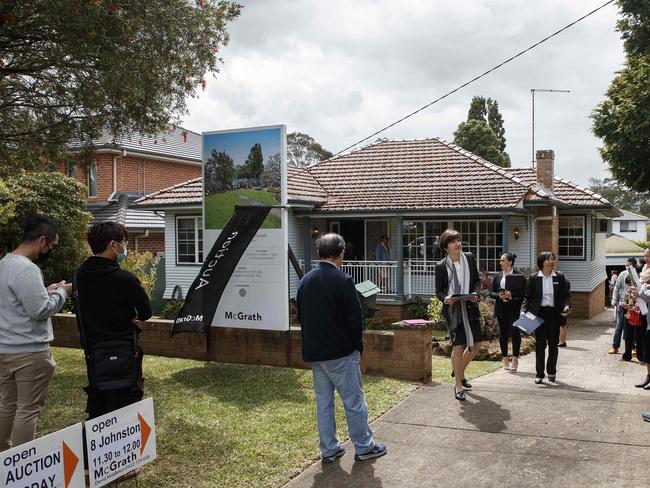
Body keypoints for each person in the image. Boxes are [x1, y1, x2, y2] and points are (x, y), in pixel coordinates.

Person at [296, 233, 387, 463]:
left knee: (324, 403)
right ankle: (364, 447)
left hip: (315, 354)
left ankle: (329, 449)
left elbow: (300, 317)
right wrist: (357, 347)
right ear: (341, 252)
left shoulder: (305, 280)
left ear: (319, 253)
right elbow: (355, 320)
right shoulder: (344, 280)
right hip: (341, 354)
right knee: (354, 402)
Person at [0, 215, 71, 450]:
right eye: (52, 245)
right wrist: (61, 292)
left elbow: (16, 302)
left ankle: (3, 452)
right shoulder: (27, 269)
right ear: (42, 240)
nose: (50, 250)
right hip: (29, 352)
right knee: (28, 408)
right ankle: (22, 464)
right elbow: (41, 309)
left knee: (8, 404)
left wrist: (46, 290)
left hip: (5, 349)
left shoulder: (5, 264)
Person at [75, 222, 152, 420]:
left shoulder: (80, 276)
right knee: (125, 406)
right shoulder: (125, 279)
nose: (125, 246)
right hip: (124, 350)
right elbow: (146, 311)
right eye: (123, 242)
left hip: (94, 352)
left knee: (99, 405)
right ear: (113, 245)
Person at [434, 229, 483, 401]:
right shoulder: (441, 266)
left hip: (470, 306)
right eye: (453, 241)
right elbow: (438, 291)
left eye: (459, 240)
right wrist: (445, 299)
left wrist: (477, 294)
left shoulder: (469, 258)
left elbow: (477, 280)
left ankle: (458, 371)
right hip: (453, 311)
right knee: (458, 347)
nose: (458, 244)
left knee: (476, 344)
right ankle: (458, 384)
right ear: (446, 247)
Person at [521, 251, 571, 384]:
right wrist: (523, 312)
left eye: (553, 259)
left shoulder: (559, 277)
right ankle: (539, 374)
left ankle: (552, 371)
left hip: (554, 315)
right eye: (548, 259)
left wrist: (566, 307)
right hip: (538, 314)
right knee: (540, 345)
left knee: (553, 345)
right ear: (541, 262)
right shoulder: (533, 278)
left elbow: (566, 296)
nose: (551, 262)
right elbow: (528, 297)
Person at [489, 252, 525, 372]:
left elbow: (524, 293)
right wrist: (500, 296)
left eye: (503, 260)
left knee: (515, 332)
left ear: (510, 262)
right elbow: (491, 292)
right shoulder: (498, 276)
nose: (500, 263)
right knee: (503, 334)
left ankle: (515, 358)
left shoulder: (519, 276)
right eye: (500, 260)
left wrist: (511, 295)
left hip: (514, 308)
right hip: (501, 309)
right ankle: (504, 357)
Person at [631, 247, 650, 390]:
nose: (646, 259)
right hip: (644, 315)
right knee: (646, 348)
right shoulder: (644, 271)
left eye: (649, 256)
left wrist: (641, 291)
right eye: (645, 256)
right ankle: (648, 377)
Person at [610, 258, 637, 355]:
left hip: (633, 305)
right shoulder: (622, 274)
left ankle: (633, 347)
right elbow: (617, 287)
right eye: (626, 265)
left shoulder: (637, 275)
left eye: (628, 265)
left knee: (632, 326)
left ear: (633, 266)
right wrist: (614, 301)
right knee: (619, 326)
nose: (627, 267)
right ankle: (615, 347)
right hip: (622, 304)